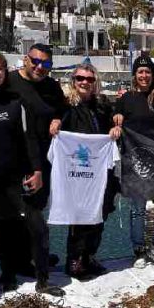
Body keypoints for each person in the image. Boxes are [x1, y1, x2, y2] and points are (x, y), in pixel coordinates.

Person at [0, 51, 63, 302]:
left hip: (15, 176)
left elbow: (28, 139)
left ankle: (43, 280)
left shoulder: (15, 101)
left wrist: (37, 170)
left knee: (37, 226)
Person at [0, 43, 68, 278]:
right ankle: (11, 266)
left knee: (35, 211)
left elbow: (63, 109)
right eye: (35, 61)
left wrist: (59, 119)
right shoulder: (9, 81)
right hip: (14, 162)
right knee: (12, 218)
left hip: (42, 161)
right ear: (26, 60)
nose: (40, 67)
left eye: (46, 64)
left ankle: (28, 259)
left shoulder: (52, 86)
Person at [51, 64, 120, 279]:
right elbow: (55, 122)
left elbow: (112, 124)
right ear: (73, 80)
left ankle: (90, 255)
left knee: (100, 214)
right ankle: (74, 259)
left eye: (90, 79)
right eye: (81, 78)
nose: (85, 82)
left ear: (95, 82)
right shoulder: (65, 105)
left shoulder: (102, 105)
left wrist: (115, 127)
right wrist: (55, 123)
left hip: (101, 172)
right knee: (79, 216)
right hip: (78, 172)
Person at [113, 56, 154, 268]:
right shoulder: (126, 98)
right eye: (140, 72)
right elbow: (114, 116)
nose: (144, 76)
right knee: (138, 209)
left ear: (153, 75)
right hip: (135, 162)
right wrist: (116, 120)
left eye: (148, 72)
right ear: (135, 75)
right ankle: (139, 248)